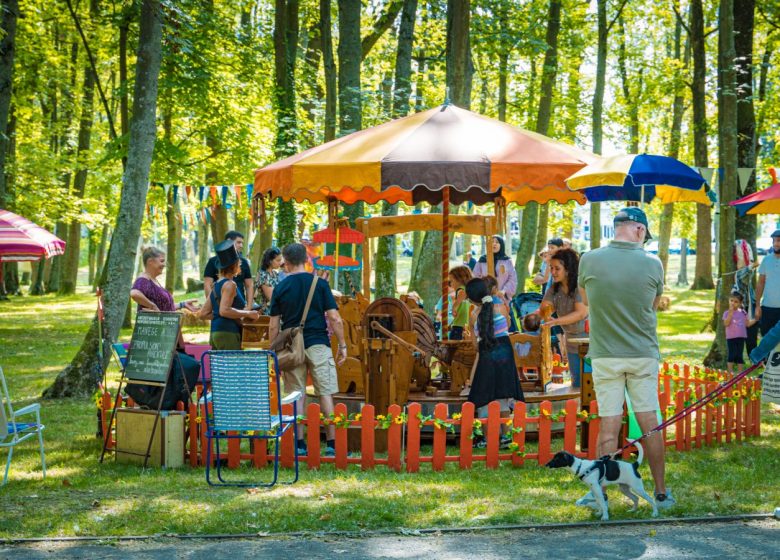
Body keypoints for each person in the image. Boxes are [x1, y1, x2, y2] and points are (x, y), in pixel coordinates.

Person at [578, 207, 674, 511]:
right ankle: (661, 493)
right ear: (640, 230)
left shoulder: (589, 259)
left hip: (605, 354)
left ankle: (599, 495)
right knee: (649, 423)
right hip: (642, 353)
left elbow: (586, 300)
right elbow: (654, 304)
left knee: (609, 424)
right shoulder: (653, 262)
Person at [269, 243, 347, 457]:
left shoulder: (280, 288)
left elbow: (274, 325)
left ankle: (300, 445)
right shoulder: (320, 285)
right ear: (306, 259)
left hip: (292, 347)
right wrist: (342, 345)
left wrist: (272, 348)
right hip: (319, 343)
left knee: (298, 395)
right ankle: (332, 444)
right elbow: (335, 318)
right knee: (325, 393)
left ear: (285, 260)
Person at [129, 246, 201, 407]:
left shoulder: (154, 281)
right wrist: (151, 306)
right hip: (157, 341)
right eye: (161, 261)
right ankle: (165, 403)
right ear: (150, 261)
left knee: (179, 371)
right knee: (187, 367)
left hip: (170, 338)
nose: (164, 264)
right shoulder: (143, 280)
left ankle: (173, 403)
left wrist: (182, 304)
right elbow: (134, 293)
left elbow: (164, 308)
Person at [464, 277, 524, 449]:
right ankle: (505, 436)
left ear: (471, 299)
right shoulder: (502, 308)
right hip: (505, 356)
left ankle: (487, 437)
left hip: (487, 358)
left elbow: (475, 345)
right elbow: (508, 326)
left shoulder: (474, 315)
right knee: (503, 395)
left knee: (484, 395)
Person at [197, 240, 260, 350]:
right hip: (228, 334)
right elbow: (224, 310)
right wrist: (248, 313)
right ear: (236, 265)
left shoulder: (216, 285)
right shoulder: (230, 285)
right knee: (232, 367)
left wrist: (222, 316)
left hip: (216, 333)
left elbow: (203, 314)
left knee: (219, 367)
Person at [540, 248, 588, 388]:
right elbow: (545, 307)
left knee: (589, 383)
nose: (553, 272)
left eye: (557, 269)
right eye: (551, 268)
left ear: (568, 270)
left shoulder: (580, 286)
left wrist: (555, 321)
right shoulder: (555, 288)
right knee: (577, 382)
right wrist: (537, 314)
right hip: (571, 340)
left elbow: (581, 313)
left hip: (589, 341)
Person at [203, 231, 254, 310]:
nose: (241, 246)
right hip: (220, 305)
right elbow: (207, 284)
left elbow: (249, 285)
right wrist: (213, 305)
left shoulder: (244, 262)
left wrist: (249, 307)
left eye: (242, 243)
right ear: (229, 241)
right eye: (239, 242)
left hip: (239, 305)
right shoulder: (213, 262)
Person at [473, 236, 518, 302]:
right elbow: (475, 277)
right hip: (485, 297)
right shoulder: (482, 260)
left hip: (502, 297)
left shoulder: (507, 261)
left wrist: (504, 291)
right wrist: (484, 291)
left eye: (497, 242)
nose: (494, 244)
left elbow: (512, 279)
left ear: (501, 245)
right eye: (492, 242)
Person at [755, 230, 780, 335]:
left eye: (778, 241)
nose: (775, 243)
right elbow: (760, 283)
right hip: (767, 308)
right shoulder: (766, 260)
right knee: (766, 341)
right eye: (774, 241)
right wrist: (757, 305)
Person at [723, 292, 752, 374]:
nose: (733, 303)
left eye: (736, 302)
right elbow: (726, 323)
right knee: (731, 355)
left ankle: (740, 373)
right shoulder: (726, 313)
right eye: (731, 300)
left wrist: (756, 319)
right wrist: (731, 313)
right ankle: (730, 373)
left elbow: (747, 324)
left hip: (741, 337)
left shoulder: (743, 312)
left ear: (740, 303)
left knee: (739, 355)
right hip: (731, 337)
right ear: (729, 301)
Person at [255, 247, 284, 314]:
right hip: (267, 312)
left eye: (280, 260)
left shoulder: (275, 273)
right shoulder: (263, 275)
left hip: (276, 309)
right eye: (278, 260)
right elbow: (271, 297)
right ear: (270, 261)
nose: (280, 263)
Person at [448, 265, 472, 340]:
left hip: (459, 327)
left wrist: (454, 306)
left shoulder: (461, 289)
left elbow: (462, 293)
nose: (450, 284)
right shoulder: (468, 290)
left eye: (451, 281)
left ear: (460, 279)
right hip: (464, 325)